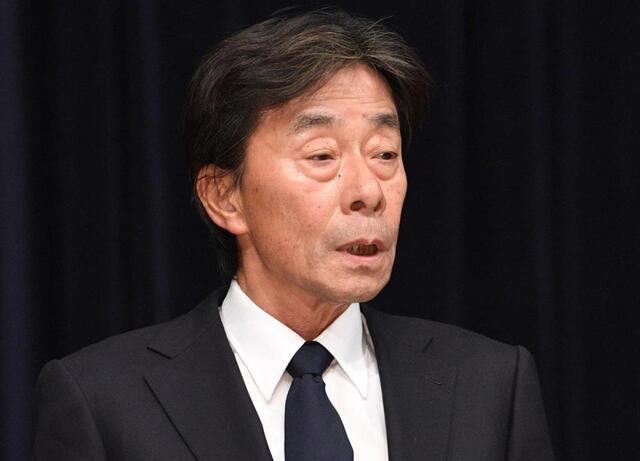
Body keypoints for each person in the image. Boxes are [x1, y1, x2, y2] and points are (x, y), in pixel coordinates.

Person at [33, 8, 554, 461]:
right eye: (322, 156)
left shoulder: (490, 385)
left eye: (384, 154)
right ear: (225, 197)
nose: (368, 192)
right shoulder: (103, 401)